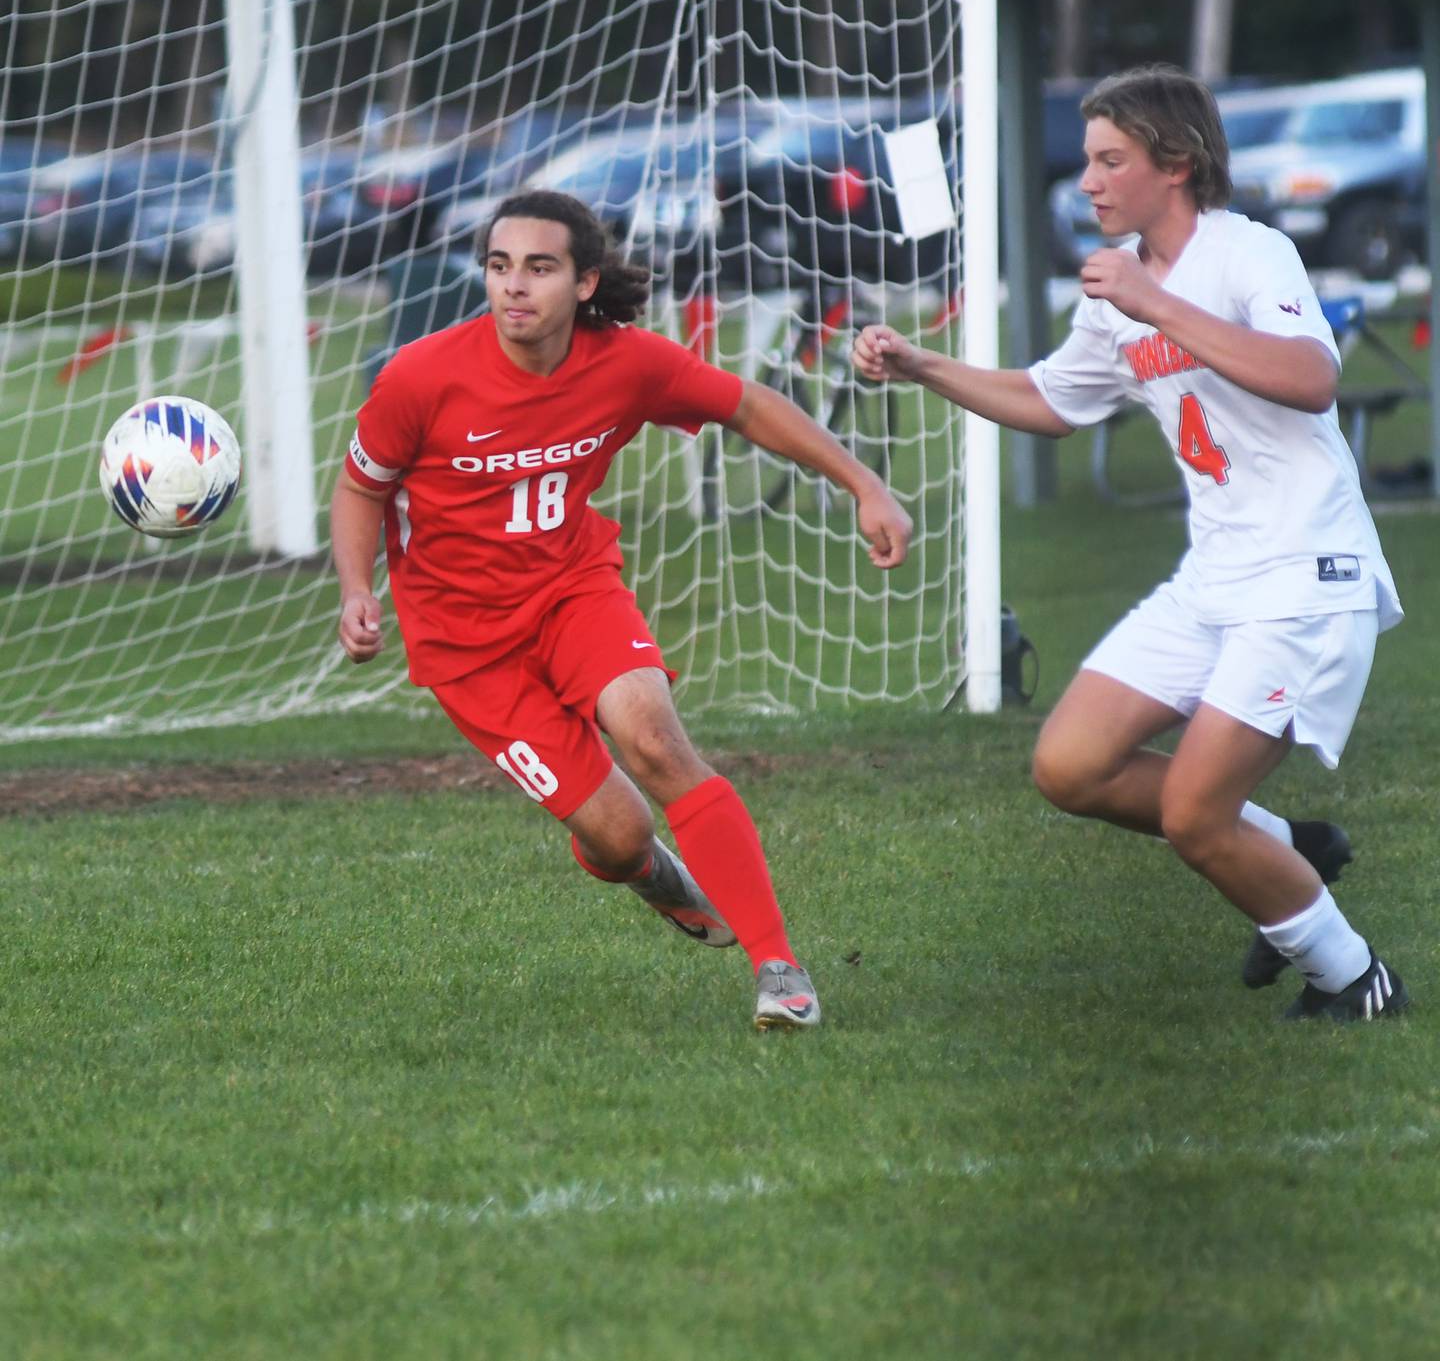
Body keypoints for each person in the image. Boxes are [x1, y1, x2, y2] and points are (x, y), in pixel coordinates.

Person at [854, 64, 1408, 1023]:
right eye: (1089, 160)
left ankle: (1353, 976)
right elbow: (1050, 402)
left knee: (1194, 814)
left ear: (1178, 164)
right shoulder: (1117, 292)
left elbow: (1312, 378)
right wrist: (922, 364)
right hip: (1217, 577)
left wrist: (1161, 309)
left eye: (1111, 160)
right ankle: (1288, 847)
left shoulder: (1249, 253)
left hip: (1307, 574)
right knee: (1069, 765)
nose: (1089, 181)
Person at [332, 188, 913, 1031]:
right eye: (499, 266)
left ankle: (779, 968)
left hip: (573, 588)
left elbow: (748, 406)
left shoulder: (629, 361)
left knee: (653, 735)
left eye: (539, 267)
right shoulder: (420, 376)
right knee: (617, 833)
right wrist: (357, 588)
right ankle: (645, 870)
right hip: (465, 649)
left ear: (585, 282)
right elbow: (360, 486)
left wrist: (864, 484)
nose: (514, 287)